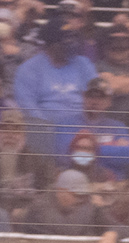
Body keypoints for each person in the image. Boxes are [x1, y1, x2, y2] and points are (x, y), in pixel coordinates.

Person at [14, 21, 99, 156]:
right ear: (50, 45)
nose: (72, 44)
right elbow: (28, 107)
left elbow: (96, 97)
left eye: (73, 39)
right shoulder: (29, 68)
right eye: (65, 41)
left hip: (83, 128)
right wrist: (52, 129)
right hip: (47, 130)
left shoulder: (83, 64)